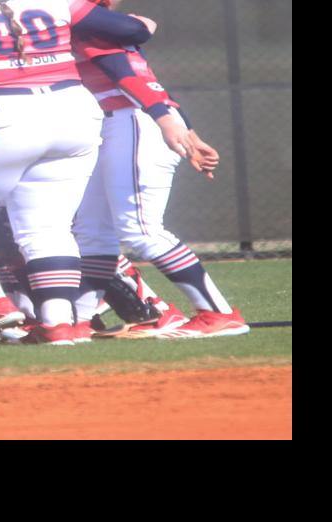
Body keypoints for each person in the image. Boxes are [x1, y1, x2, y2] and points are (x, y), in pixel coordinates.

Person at [0, 0, 153, 346]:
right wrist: (143, 25)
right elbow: (130, 30)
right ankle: (59, 325)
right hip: (73, 110)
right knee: (48, 227)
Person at [72, 0, 247, 340]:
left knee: (142, 230)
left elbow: (128, 77)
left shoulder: (86, 26)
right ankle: (77, 321)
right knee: (92, 232)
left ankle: (219, 313)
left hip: (132, 121)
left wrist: (170, 125)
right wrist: (188, 132)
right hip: (121, 124)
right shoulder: (94, 25)